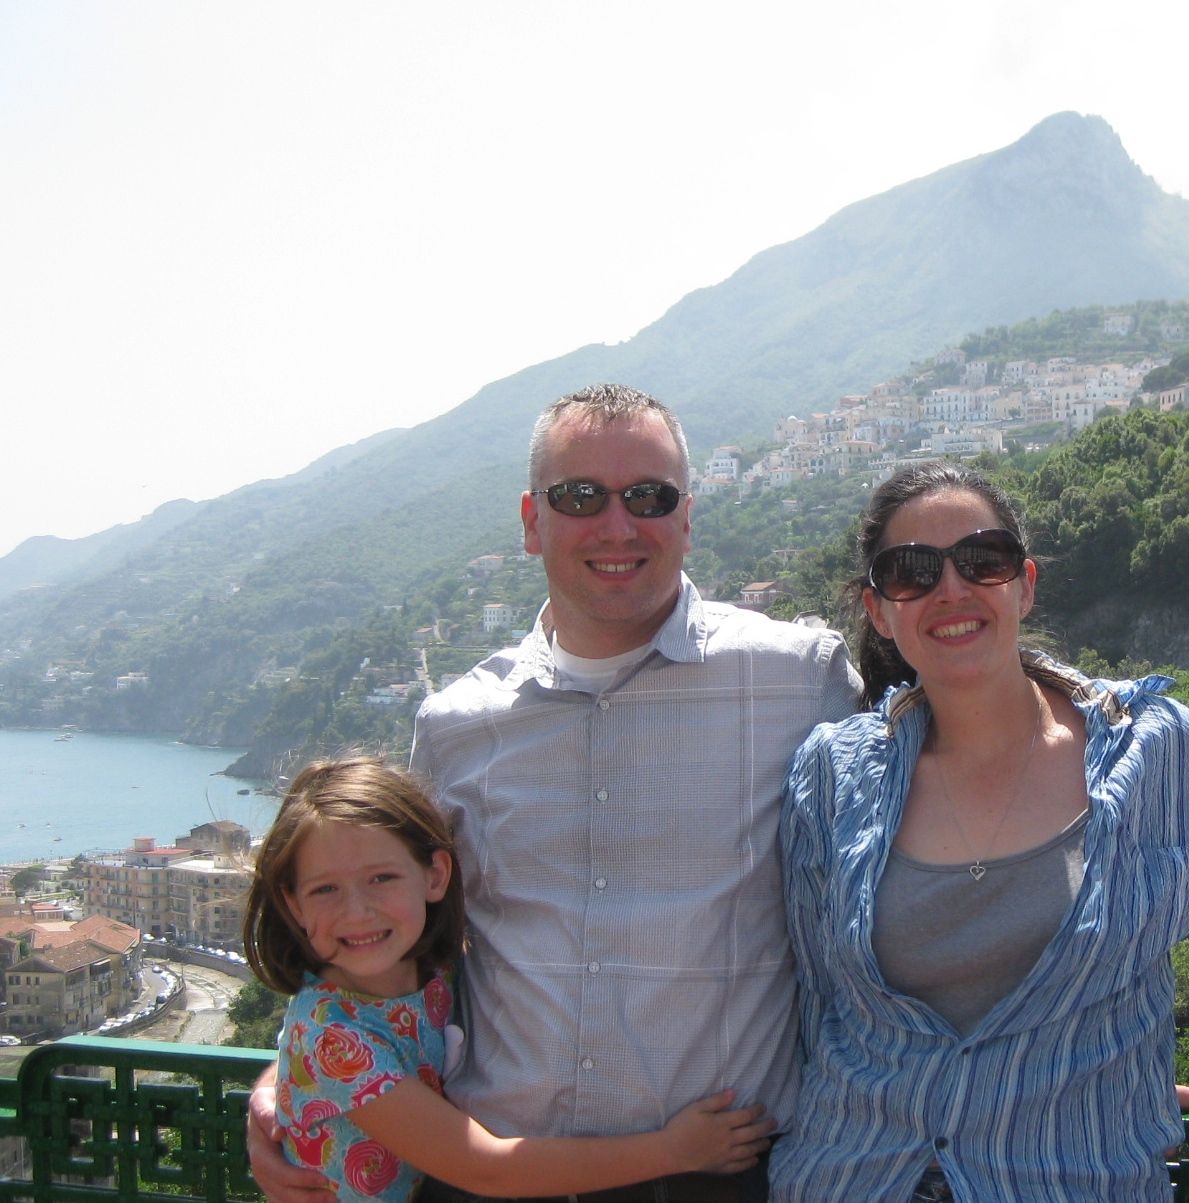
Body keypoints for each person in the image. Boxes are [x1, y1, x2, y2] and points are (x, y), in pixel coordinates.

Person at [248, 384, 861, 1203]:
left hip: (715, 1178)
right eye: (579, 496)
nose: (617, 525)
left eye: (648, 496)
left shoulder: (799, 680)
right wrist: (289, 1076)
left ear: (686, 517)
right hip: (489, 1177)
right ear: (531, 520)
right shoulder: (455, 724)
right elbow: (395, 938)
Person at [771, 461, 1189, 1202]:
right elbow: (814, 1011)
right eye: (912, 572)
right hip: (852, 1179)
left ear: (1024, 584)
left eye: (982, 559)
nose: (951, 589)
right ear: (878, 610)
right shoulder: (831, 775)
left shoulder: (1161, 755)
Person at [242, 757, 774, 1203]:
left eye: (381, 878)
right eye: (325, 890)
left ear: (435, 875)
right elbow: (486, 1168)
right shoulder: (336, 1040)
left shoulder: (432, 973)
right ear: (293, 904)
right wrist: (675, 1151)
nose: (357, 911)